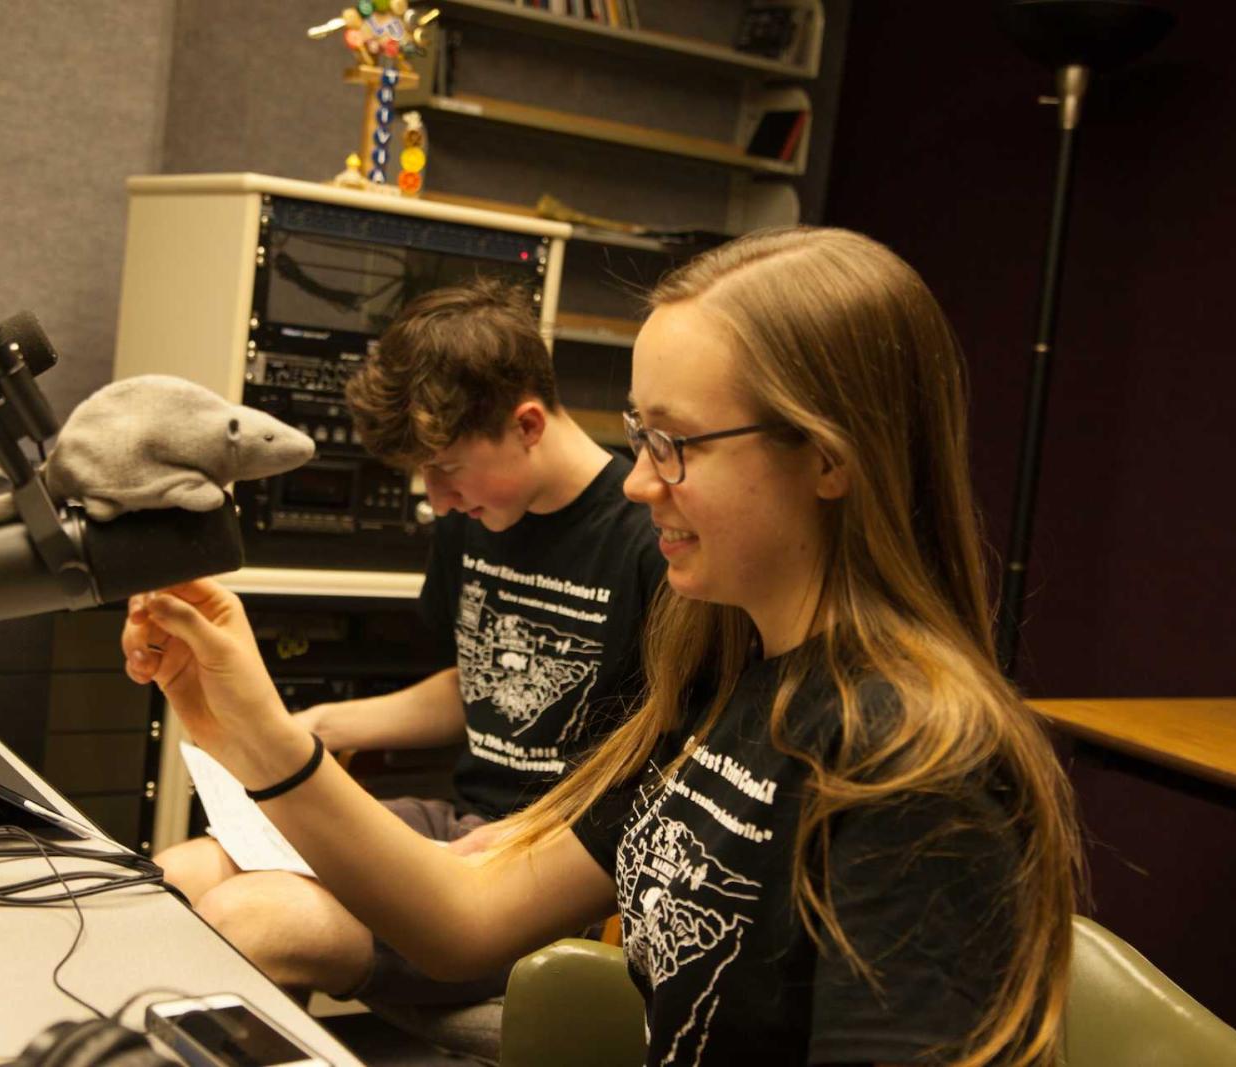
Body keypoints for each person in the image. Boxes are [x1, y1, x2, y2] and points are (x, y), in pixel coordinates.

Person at [124, 228, 1081, 1065]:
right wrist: (254, 727)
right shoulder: (723, 695)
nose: (636, 481)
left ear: (828, 456)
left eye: (675, 442)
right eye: (638, 433)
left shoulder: (914, 769)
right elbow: (464, 921)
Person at [145, 279, 665, 1003]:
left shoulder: (649, 542)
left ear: (529, 424)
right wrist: (318, 727)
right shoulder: (475, 515)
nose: (437, 497)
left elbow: (674, 757)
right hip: (458, 826)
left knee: (248, 921)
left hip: (557, 870)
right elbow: (476, 685)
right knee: (176, 877)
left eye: (447, 467)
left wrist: (532, 833)